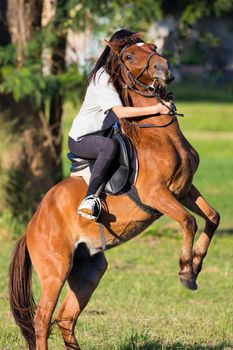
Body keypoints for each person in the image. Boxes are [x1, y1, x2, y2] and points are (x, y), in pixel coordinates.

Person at [68, 29, 171, 220]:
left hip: (104, 132)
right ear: (118, 54)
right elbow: (121, 113)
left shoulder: (122, 75)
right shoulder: (103, 77)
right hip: (83, 138)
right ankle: (89, 200)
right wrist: (157, 109)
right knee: (109, 147)